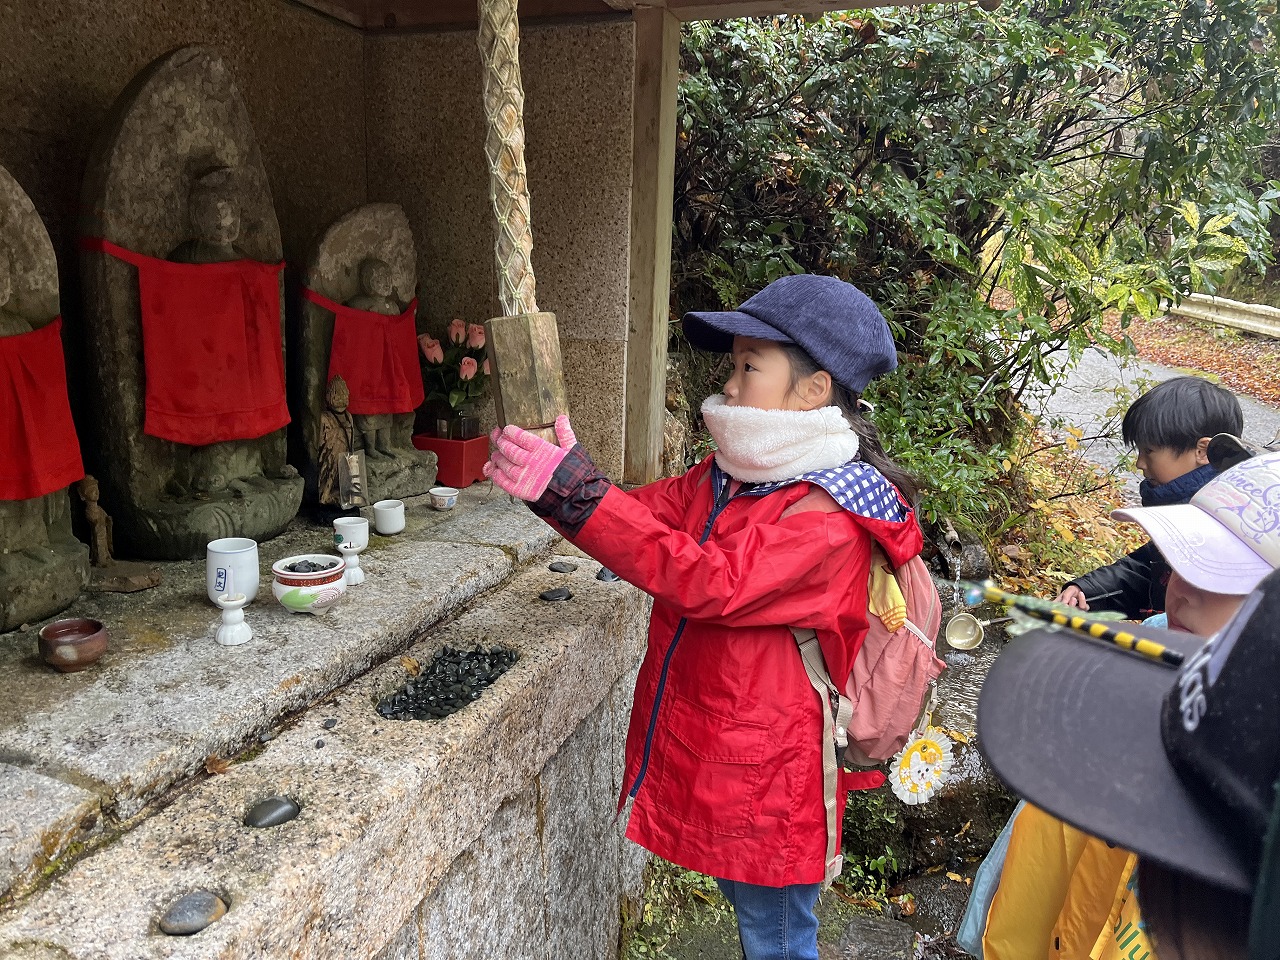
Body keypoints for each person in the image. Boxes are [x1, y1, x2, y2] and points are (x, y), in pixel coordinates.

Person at [485, 275, 926, 960]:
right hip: (739, 749)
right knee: (759, 916)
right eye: (735, 364)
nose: (731, 382)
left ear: (813, 390)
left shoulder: (829, 515)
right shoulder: (739, 473)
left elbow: (709, 580)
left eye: (750, 366)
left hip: (775, 770)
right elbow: (652, 513)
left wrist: (575, 494)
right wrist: (567, 475)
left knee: (778, 936)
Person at [973, 450, 1280, 960]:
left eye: (1219, 578)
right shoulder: (1130, 674)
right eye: (1176, 565)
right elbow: (1039, 858)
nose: (1178, 592)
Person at [1056, 376, 1244, 619]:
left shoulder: (1226, 525)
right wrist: (1086, 592)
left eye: (1149, 451)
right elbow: (1152, 570)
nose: (1140, 463)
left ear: (1202, 451)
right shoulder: (1185, 512)